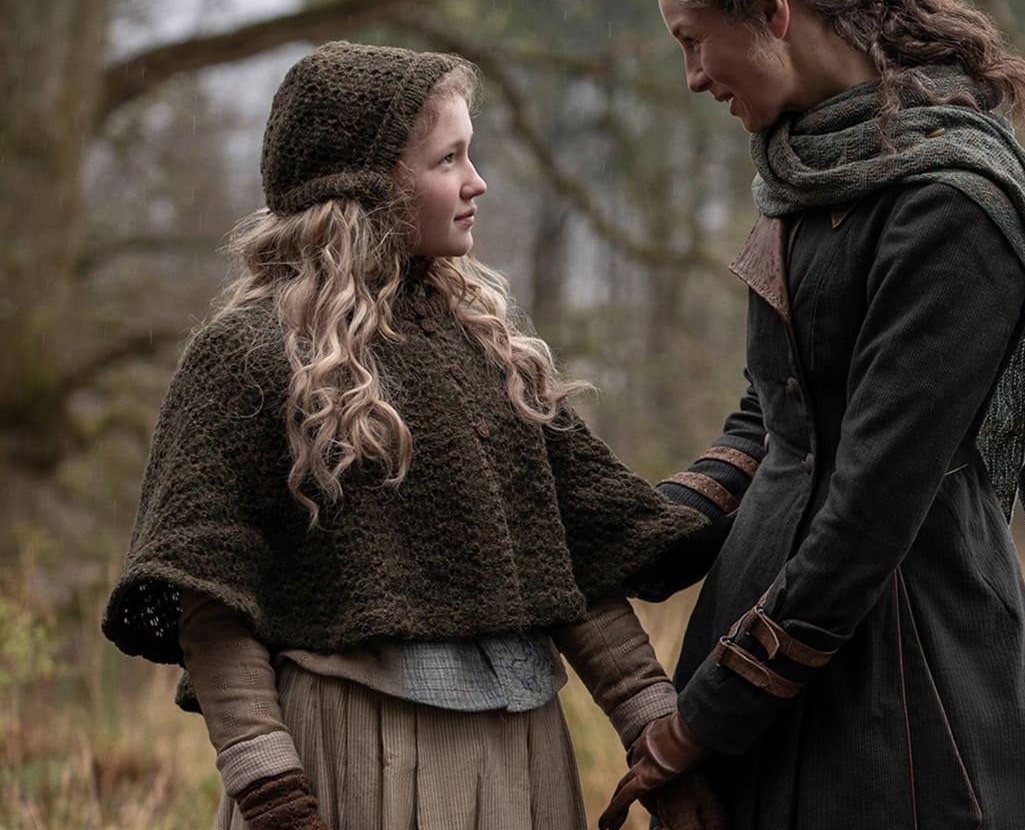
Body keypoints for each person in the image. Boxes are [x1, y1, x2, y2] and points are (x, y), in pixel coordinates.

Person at [102, 41, 724, 830]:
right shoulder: (248, 355)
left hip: (525, 758)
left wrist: (653, 728)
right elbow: (209, 592)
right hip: (352, 754)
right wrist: (268, 786)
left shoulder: (489, 350)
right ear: (368, 187)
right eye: (448, 159)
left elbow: (571, 555)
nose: (476, 181)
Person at [600, 0, 1025, 828]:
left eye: (693, 40)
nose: (693, 77)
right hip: (757, 670)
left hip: (908, 689)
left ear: (771, 9)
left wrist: (703, 720)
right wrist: (633, 541)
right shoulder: (802, 176)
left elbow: (871, 502)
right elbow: (770, 422)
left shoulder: (952, 204)